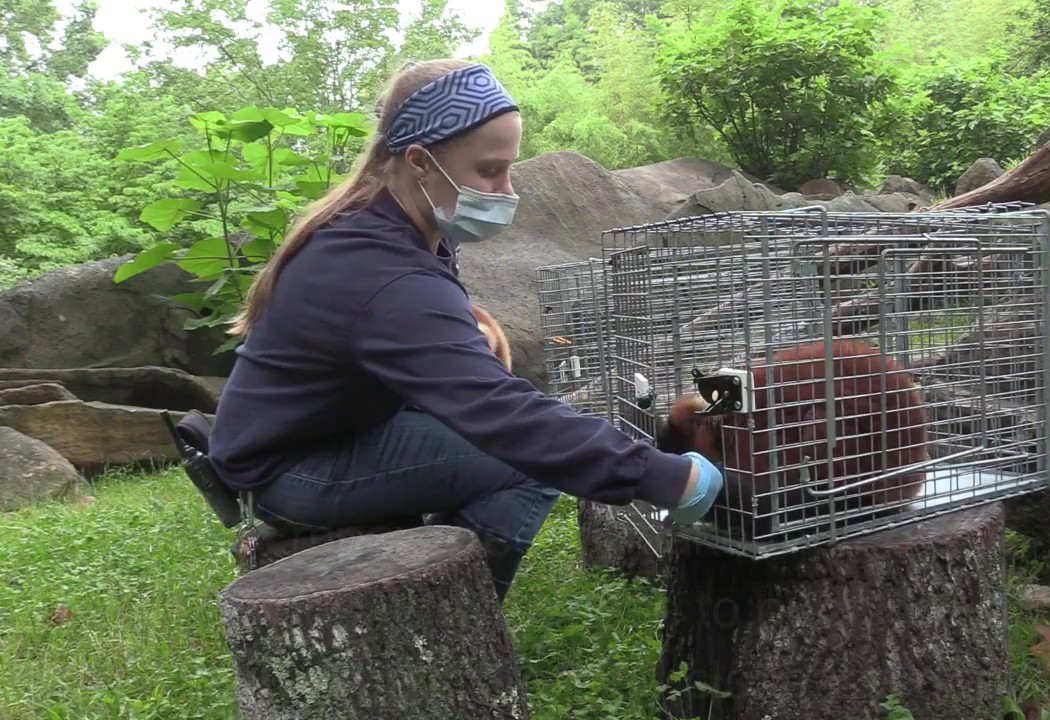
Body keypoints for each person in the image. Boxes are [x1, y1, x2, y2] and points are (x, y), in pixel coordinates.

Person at [206, 58, 724, 602]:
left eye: (508, 169)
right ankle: (445, 612)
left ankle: (429, 571)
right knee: (526, 461)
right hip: (288, 471)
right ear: (420, 161)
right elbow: (500, 414)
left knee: (525, 433)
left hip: (335, 432)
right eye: (488, 171)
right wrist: (670, 480)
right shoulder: (373, 265)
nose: (507, 190)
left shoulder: (400, 225)